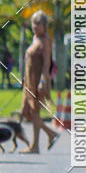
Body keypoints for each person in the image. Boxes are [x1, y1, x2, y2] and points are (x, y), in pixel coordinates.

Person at [20, 10, 59, 153]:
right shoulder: (35, 38)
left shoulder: (45, 40)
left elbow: (46, 63)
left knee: (34, 112)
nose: (35, 26)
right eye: (33, 23)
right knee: (25, 112)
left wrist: (43, 81)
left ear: (44, 25)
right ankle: (50, 133)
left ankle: (35, 146)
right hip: (29, 82)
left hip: (38, 81)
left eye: (38, 23)